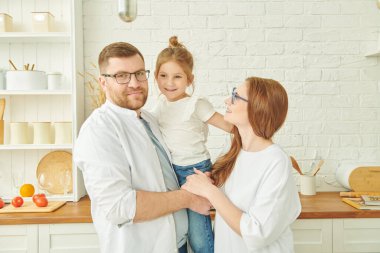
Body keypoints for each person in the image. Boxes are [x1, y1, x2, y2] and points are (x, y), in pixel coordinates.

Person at [74, 42, 212, 253]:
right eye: (121, 76)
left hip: (179, 245)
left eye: (139, 73)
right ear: (103, 83)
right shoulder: (98, 130)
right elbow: (119, 206)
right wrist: (190, 198)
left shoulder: (150, 119)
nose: (134, 83)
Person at [182, 76, 302, 253]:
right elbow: (227, 204)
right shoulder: (235, 151)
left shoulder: (276, 161)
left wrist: (210, 191)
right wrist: (208, 185)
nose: (226, 100)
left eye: (236, 96)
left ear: (258, 108)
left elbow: (257, 234)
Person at [152, 36, 233, 253]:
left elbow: (231, 127)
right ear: (155, 77)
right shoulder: (159, 105)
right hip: (170, 172)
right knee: (176, 233)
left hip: (195, 171)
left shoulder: (196, 104)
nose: (169, 83)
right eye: (163, 76)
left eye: (177, 77)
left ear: (189, 79)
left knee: (198, 235)